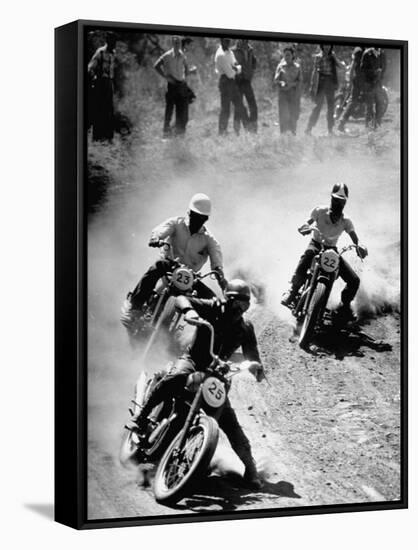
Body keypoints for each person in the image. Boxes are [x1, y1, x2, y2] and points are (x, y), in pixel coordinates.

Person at [126, 278, 265, 489]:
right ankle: (142, 417)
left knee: (228, 420)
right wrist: (189, 311)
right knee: (174, 378)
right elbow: (181, 297)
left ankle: (250, 467)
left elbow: (252, 353)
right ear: (228, 299)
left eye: (245, 305)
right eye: (237, 303)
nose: (240, 309)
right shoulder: (212, 307)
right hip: (193, 361)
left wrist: (255, 365)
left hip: (218, 375)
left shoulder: (245, 327)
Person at [121, 193, 227, 331]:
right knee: (158, 265)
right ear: (189, 213)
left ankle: (203, 342)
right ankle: (135, 306)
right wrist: (155, 239)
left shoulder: (209, 240)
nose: (197, 221)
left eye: (201, 219)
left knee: (213, 302)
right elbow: (160, 231)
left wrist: (220, 275)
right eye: (195, 216)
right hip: (169, 267)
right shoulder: (176, 223)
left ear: (206, 219)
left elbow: (216, 258)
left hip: (190, 277)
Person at [281, 183, 368, 321]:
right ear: (331, 198)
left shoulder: (346, 221)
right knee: (306, 258)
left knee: (354, 280)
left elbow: (354, 236)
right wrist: (305, 227)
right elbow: (308, 222)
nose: (337, 203)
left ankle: (344, 306)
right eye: (335, 199)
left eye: (341, 200)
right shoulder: (320, 211)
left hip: (332, 251)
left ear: (345, 202)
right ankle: (293, 291)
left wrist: (359, 247)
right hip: (316, 244)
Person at [154, 36, 195, 137]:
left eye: (179, 43)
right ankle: (166, 133)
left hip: (181, 85)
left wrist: (188, 74)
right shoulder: (167, 55)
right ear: (173, 44)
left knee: (182, 112)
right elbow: (156, 66)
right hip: (172, 85)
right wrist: (166, 77)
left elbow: (185, 69)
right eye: (175, 43)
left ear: (181, 45)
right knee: (169, 110)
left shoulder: (182, 56)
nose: (177, 45)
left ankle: (178, 134)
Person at [305, 45, 346, 136]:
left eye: (329, 45)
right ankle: (309, 128)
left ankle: (330, 130)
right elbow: (314, 71)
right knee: (317, 106)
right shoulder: (318, 57)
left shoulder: (332, 57)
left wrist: (335, 58)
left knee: (331, 107)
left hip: (330, 83)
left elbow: (342, 67)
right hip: (321, 83)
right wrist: (312, 85)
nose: (327, 47)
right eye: (325, 45)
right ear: (322, 46)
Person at [88, 32, 116, 142]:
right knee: (99, 110)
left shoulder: (113, 53)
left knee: (109, 111)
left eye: (114, 42)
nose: (113, 44)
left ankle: (108, 137)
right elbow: (90, 67)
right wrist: (95, 78)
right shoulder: (100, 52)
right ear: (108, 41)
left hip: (109, 83)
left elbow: (112, 70)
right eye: (112, 41)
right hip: (100, 83)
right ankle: (97, 138)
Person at [214, 38, 246, 136]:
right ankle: (222, 132)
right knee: (226, 109)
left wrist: (236, 67)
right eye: (225, 41)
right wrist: (237, 69)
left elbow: (235, 63)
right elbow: (230, 73)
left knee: (240, 105)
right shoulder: (220, 55)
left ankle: (245, 128)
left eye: (228, 41)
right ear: (221, 41)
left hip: (231, 82)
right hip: (225, 81)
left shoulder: (229, 51)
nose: (228, 43)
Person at [274, 46, 302, 135]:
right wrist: (281, 83)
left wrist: (292, 84)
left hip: (294, 94)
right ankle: (283, 134)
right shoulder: (280, 66)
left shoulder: (297, 67)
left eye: (289, 55)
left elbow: (300, 81)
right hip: (283, 94)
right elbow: (275, 80)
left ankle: (293, 133)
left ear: (292, 55)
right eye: (285, 55)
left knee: (294, 114)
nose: (287, 57)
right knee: (284, 114)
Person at [337, 46, 365, 132]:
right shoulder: (359, 51)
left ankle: (342, 121)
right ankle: (342, 122)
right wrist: (350, 81)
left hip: (361, 80)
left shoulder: (361, 51)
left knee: (356, 100)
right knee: (353, 101)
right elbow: (353, 67)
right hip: (359, 80)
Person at [232, 39, 258, 133]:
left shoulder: (250, 49)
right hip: (237, 82)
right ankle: (237, 131)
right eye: (243, 40)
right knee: (239, 107)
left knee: (253, 106)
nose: (244, 42)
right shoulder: (233, 51)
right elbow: (231, 65)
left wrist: (252, 69)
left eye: (246, 40)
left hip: (247, 81)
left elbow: (254, 61)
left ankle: (253, 129)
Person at [360, 47, 386, 129]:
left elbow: (384, 67)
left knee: (380, 104)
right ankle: (368, 128)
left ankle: (377, 125)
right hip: (369, 83)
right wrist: (373, 72)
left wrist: (380, 76)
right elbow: (362, 69)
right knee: (369, 106)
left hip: (378, 83)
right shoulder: (367, 53)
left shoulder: (382, 53)